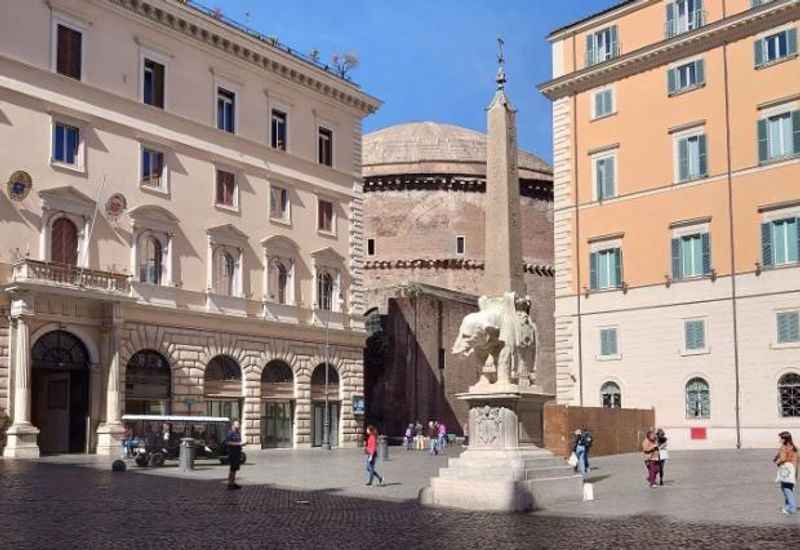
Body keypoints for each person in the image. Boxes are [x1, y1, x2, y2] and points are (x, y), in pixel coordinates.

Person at [773, 431, 798, 515]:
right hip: (793, 470)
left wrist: (777, 462)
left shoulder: (783, 447)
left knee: (786, 489)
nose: (779, 440)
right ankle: (787, 506)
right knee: (789, 488)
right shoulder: (794, 447)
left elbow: (783, 458)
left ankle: (792, 508)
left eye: (780, 438)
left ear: (784, 439)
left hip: (786, 471)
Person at [224, 420, 244, 490]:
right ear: (233, 425)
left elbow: (238, 442)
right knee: (232, 469)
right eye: (237, 424)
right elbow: (227, 442)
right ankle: (230, 484)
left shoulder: (237, 432)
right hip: (232, 454)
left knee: (235, 469)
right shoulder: (230, 433)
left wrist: (242, 444)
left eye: (239, 424)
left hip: (237, 453)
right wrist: (238, 444)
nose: (239, 425)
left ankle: (232, 483)